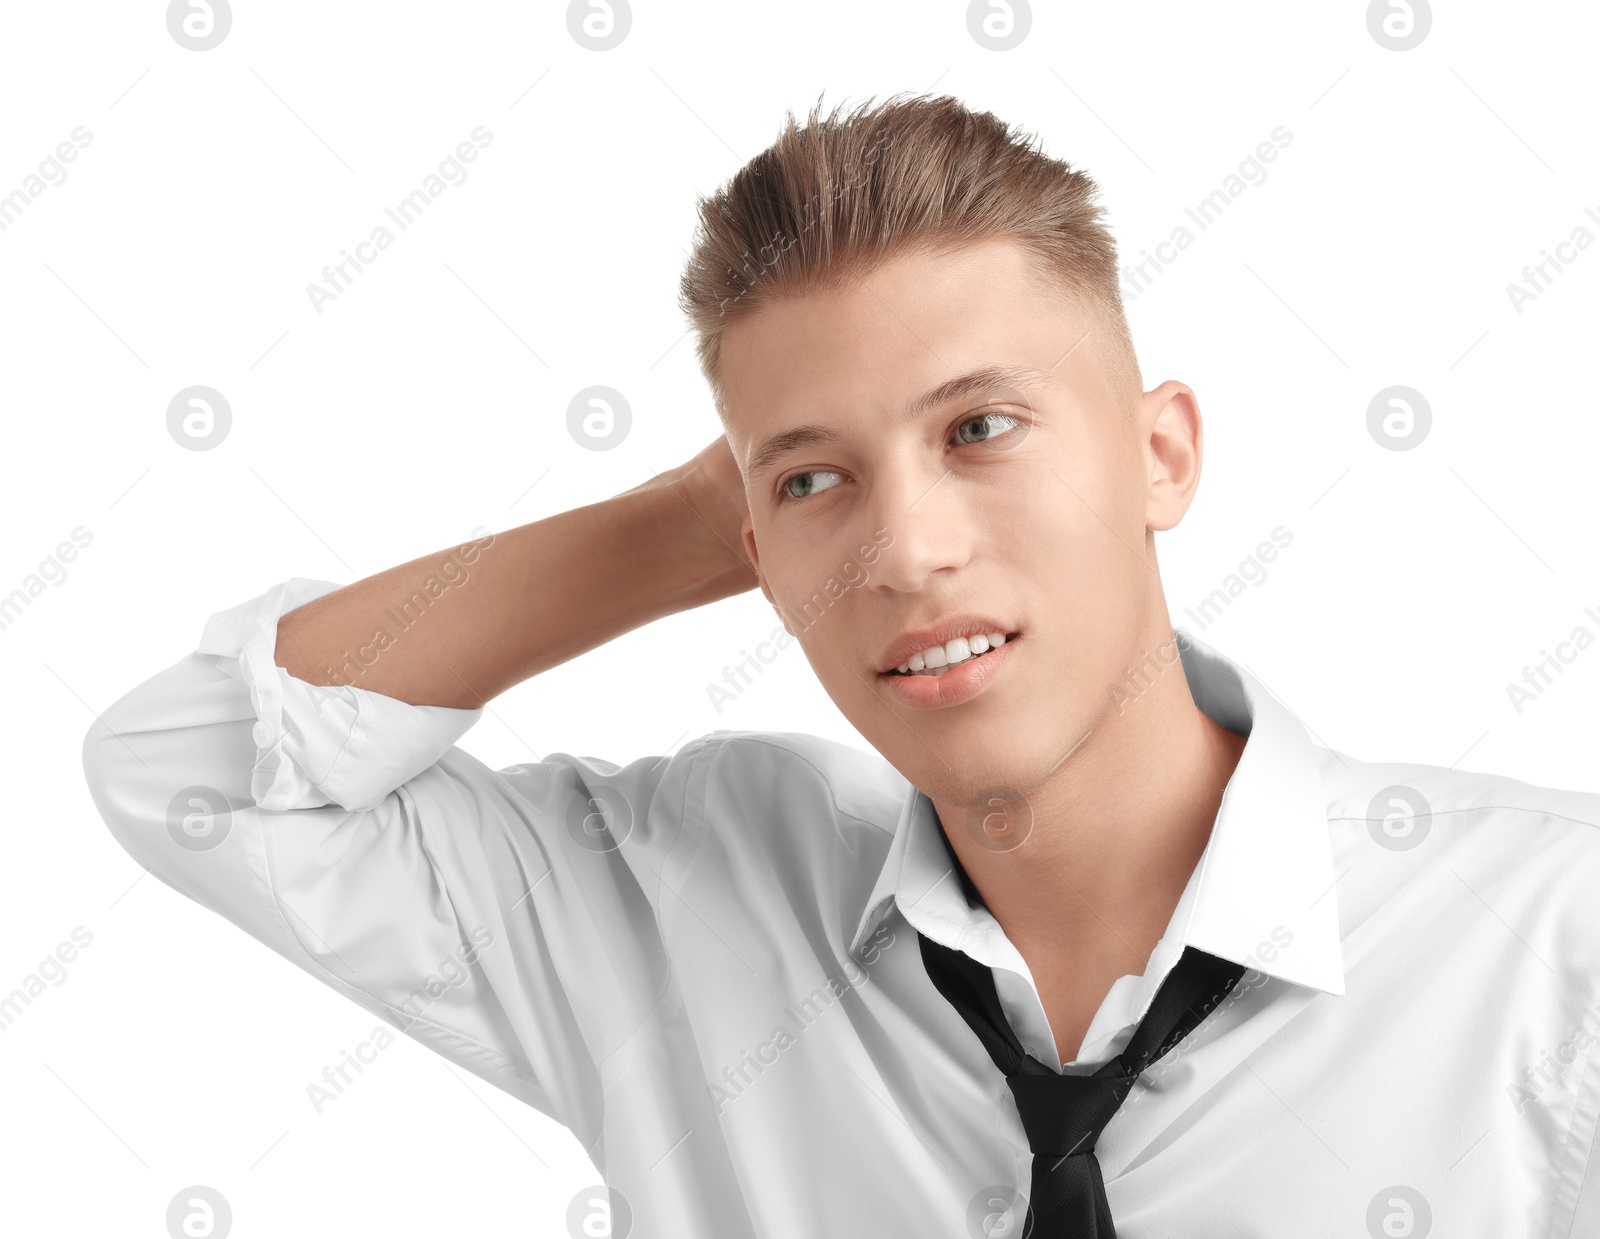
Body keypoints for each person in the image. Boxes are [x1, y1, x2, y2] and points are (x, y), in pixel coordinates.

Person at [82, 92, 1600, 1235]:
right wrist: (701, 518)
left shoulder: (1542, 945)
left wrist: (798, 473)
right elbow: (202, 771)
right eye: (818, 485)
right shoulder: (687, 915)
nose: (907, 550)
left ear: (1160, 454)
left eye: (978, 430)